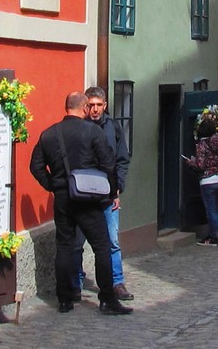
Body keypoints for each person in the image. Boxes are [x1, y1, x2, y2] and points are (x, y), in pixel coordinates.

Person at [29, 91, 132, 315]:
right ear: (84, 108)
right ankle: (107, 299)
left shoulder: (49, 134)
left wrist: (53, 185)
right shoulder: (93, 132)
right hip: (88, 198)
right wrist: (112, 192)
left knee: (64, 247)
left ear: (66, 107)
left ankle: (64, 299)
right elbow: (109, 164)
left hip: (63, 198)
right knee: (102, 247)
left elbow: (35, 166)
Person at [70, 87, 133, 302]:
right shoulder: (79, 127)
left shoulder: (112, 127)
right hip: (82, 196)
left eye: (99, 105)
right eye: (92, 105)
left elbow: (122, 159)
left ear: (105, 105)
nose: (95, 109)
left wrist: (118, 188)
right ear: (86, 106)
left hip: (107, 196)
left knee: (112, 241)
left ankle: (117, 282)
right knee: (78, 242)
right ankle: (76, 283)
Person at [186, 113, 218, 246]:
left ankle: (213, 236)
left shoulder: (202, 144)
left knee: (211, 210)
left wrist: (190, 162)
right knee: (217, 209)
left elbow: (200, 165)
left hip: (208, 181)